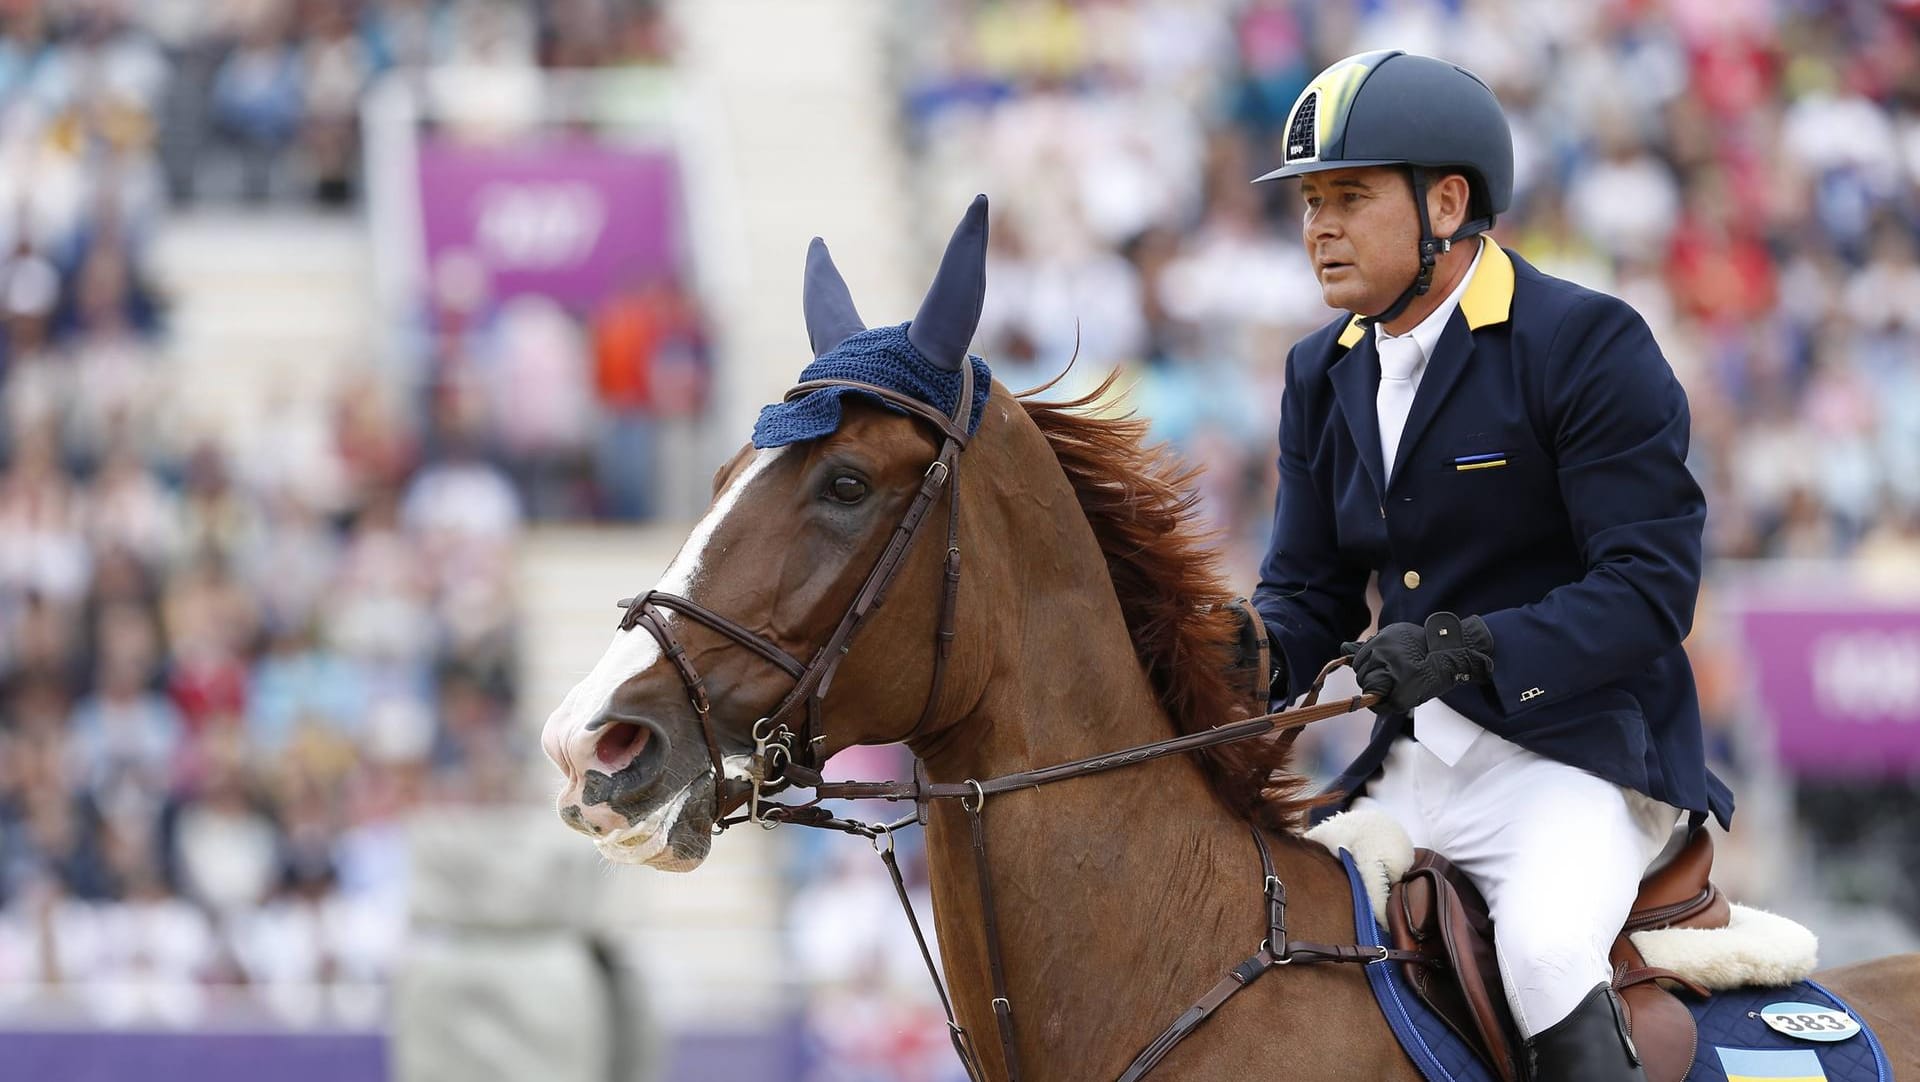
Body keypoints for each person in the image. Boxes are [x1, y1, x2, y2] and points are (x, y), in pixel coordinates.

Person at [1249, 50, 1734, 1081]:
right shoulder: (1319, 371)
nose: (1318, 227)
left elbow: (1651, 586)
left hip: (1581, 757)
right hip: (1413, 763)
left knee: (1548, 954)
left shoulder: (1584, 343)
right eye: (1308, 202)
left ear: (1447, 202)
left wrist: (1476, 649)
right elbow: (1306, 592)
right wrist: (1230, 654)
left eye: (1348, 195)